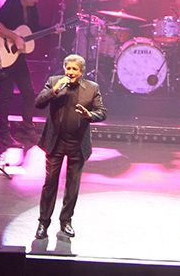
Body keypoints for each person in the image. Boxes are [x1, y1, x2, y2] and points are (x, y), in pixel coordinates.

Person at [34, 54, 107, 240]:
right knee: (50, 184)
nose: (71, 72)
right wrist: (55, 90)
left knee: (72, 186)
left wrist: (89, 115)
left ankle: (66, 221)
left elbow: (102, 112)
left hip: (77, 143)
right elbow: (38, 103)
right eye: (68, 68)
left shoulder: (92, 88)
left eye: (75, 69)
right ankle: (43, 223)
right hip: (55, 142)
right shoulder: (54, 82)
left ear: (81, 71)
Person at [0, 0, 43, 146]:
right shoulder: (12, 3)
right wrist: (14, 37)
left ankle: (27, 128)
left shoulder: (32, 8)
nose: (37, 0)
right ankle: (3, 133)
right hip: (4, 54)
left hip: (18, 57)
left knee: (29, 93)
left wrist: (54, 29)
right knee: (6, 95)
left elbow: (35, 30)